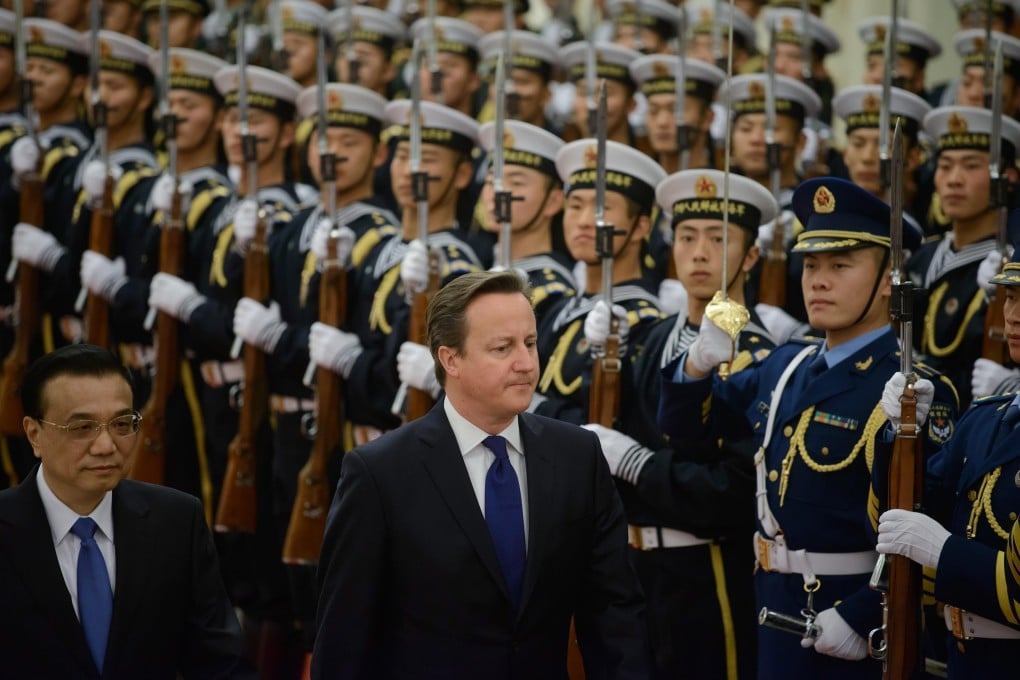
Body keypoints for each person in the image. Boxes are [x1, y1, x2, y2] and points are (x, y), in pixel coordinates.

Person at [658, 177, 958, 680]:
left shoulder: (913, 390)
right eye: (813, 264)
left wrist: (863, 615)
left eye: (841, 266)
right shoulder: (787, 365)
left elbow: (932, 527)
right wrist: (696, 368)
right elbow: (689, 434)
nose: (818, 280)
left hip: (857, 625)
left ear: (889, 279)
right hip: (774, 610)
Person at [311, 270, 649, 679]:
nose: (525, 363)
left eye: (530, 343)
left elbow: (614, 613)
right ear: (450, 359)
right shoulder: (380, 474)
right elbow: (344, 639)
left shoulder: (577, 456)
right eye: (502, 348)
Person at [586, 169, 779, 680]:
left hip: (706, 571)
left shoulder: (756, 356)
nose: (698, 253)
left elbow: (733, 491)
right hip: (632, 566)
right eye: (688, 237)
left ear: (752, 256)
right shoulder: (649, 337)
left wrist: (638, 466)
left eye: (719, 239)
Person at [0, 343, 246, 678]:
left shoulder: (175, 521)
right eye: (82, 428)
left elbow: (221, 665)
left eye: (122, 423)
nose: (106, 446)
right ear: (34, 434)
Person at [877, 246, 1020, 678]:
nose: (1012, 315)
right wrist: (903, 436)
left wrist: (944, 552)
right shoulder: (986, 418)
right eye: (1010, 296)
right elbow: (901, 516)